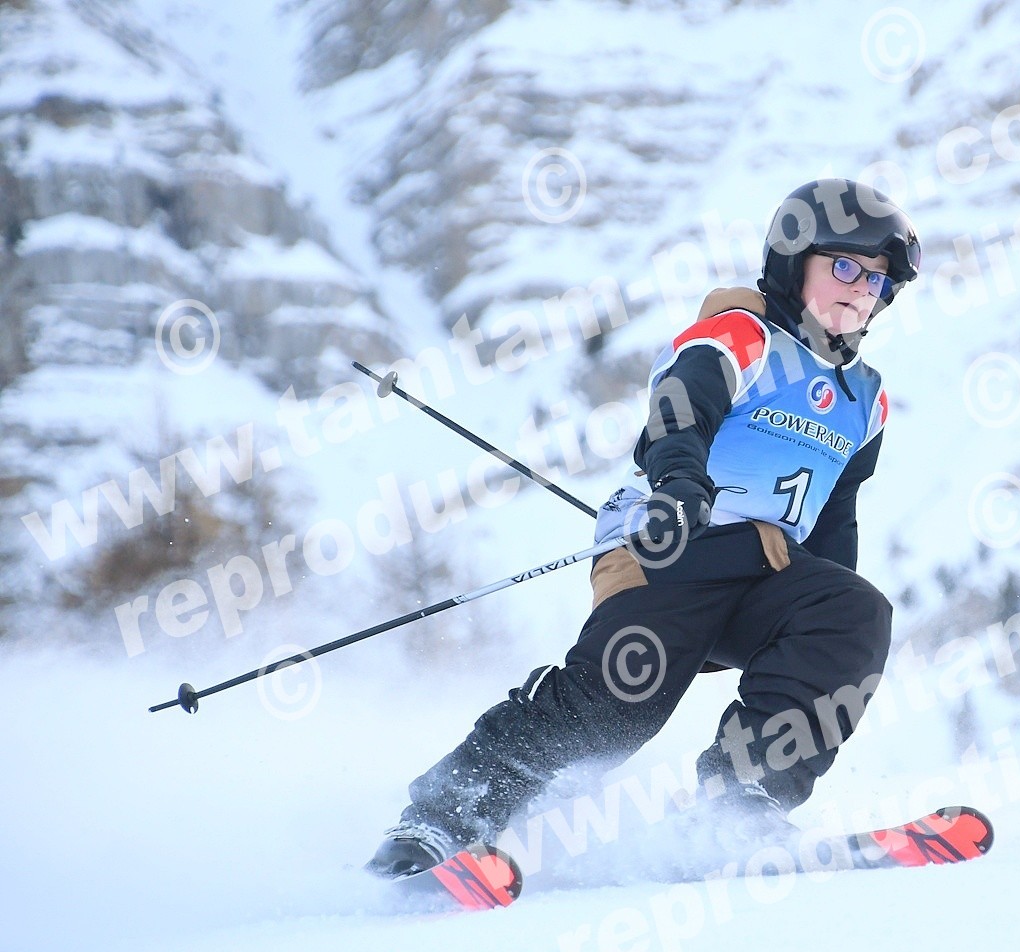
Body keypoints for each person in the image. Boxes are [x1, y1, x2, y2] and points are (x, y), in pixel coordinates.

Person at [366, 178, 922, 878]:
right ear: (792, 260)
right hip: (674, 549)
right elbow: (681, 408)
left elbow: (836, 515)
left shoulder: (865, 399)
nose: (862, 290)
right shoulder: (742, 336)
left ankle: (740, 804)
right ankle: (442, 817)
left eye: (876, 280)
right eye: (844, 266)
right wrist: (681, 482)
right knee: (616, 706)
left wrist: (823, 608)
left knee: (854, 612)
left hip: (767, 572)